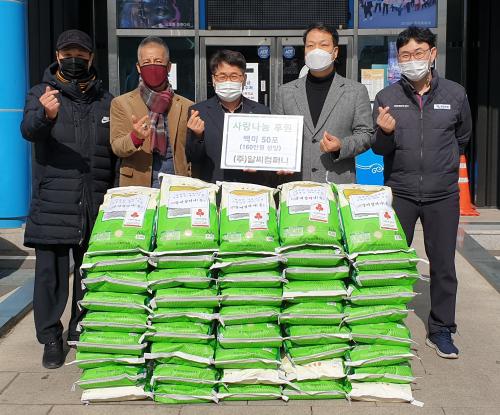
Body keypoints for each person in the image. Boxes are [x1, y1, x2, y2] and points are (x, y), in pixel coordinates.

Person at [371, 26, 472, 359]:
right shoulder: (386, 97)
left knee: (443, 265)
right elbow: (380, 148)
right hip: (400, 192)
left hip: (442, 195)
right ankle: (383, 323)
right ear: (398, 60)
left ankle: (441, 329)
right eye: (405, 55)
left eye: (418, 53)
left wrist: (441, 168)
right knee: (390, 261)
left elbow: (462, 138)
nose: (412, 60)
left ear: (432, 54)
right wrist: (385, 133)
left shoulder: (455, 94)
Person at [20, 30, 116, 369]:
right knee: (51, 276)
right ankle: (50, 338)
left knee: (89, 273)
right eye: (67, 53)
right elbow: (28, 130)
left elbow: (113, 151)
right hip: (54, 202)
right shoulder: (41, 93)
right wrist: (44, 115)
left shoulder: (106, 100)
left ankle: (80, 327)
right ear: (58, 56)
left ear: (91, 57)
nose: (74, 58)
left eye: (80, 53)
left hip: (95, 201)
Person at [274, 22, 373, 184]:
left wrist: (341, 146)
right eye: (310, 45)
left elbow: (366, 134)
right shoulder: (285, 92)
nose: (316, 50)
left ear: (335, 52)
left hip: (337, 184)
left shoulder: (356, 91)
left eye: (323, 45)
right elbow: (277, 136)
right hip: (296, 184)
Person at [110, 36, 192, 187]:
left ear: (168, 67)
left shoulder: (187, 106)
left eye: (158, 62)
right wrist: (135, 137)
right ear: (138, 67)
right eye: (146, 62)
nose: (152, 67)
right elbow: (117, 147)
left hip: (177, 186)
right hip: (138, 186)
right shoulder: (121, 103)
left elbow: (192, 151)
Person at [185, 49, 273, 185]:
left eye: (234, 76)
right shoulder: (198, 112)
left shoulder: (262, 112)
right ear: (213, 79)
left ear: (244, 79)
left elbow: (269, 155)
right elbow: (193, 158)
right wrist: (198, 136)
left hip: (251, 189)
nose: (228, 81)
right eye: (222, 76)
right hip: (214, 188)